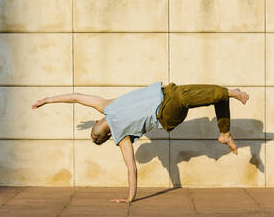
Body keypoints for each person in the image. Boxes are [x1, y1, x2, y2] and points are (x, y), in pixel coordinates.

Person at [31, 82, 249, 203]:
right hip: (167, 111)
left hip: (166, 92)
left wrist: (48, 100)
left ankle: (225, 133)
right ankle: (231, 92)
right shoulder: (122, 137)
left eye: (92, 135)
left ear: (98, 120)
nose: (94, 136)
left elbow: (77, 97)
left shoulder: (106, 106)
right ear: (107, 136)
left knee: (215, 97)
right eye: (97, 138)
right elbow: (131, 168)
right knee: (190, 95)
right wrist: (129, 197)